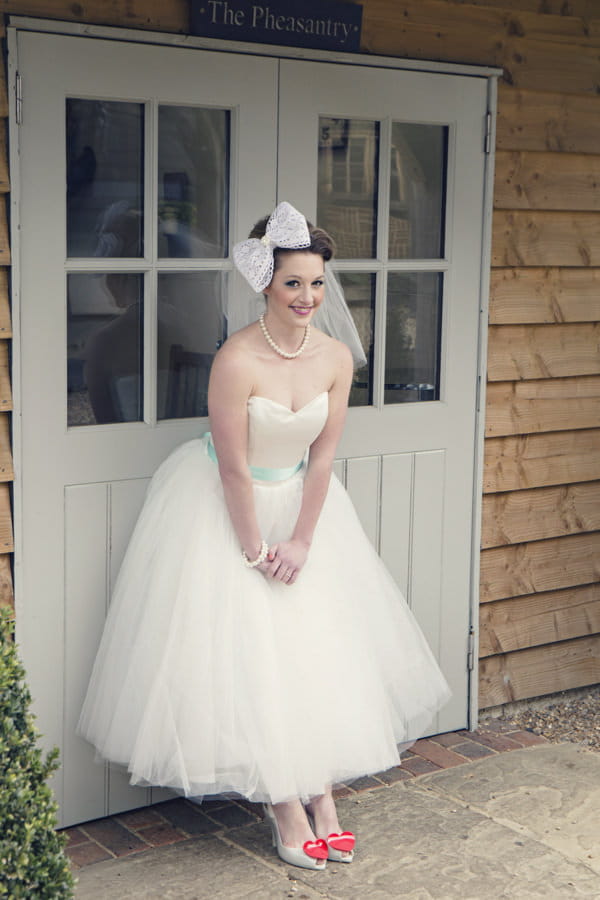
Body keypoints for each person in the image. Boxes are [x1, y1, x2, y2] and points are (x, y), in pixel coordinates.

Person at [78, 201, 451, 871]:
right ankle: (283, 803)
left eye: (316, 284)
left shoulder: (337, 358)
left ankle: (325, 799)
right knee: (253, 656)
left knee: (315, 652)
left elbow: (325, 458)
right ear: (265, 287)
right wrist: (254, 549)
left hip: (305, 508)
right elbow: (230, 466)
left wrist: (303, 542)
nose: (308, 297)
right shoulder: (236, 358)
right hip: (228, 507)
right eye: (293, 284)